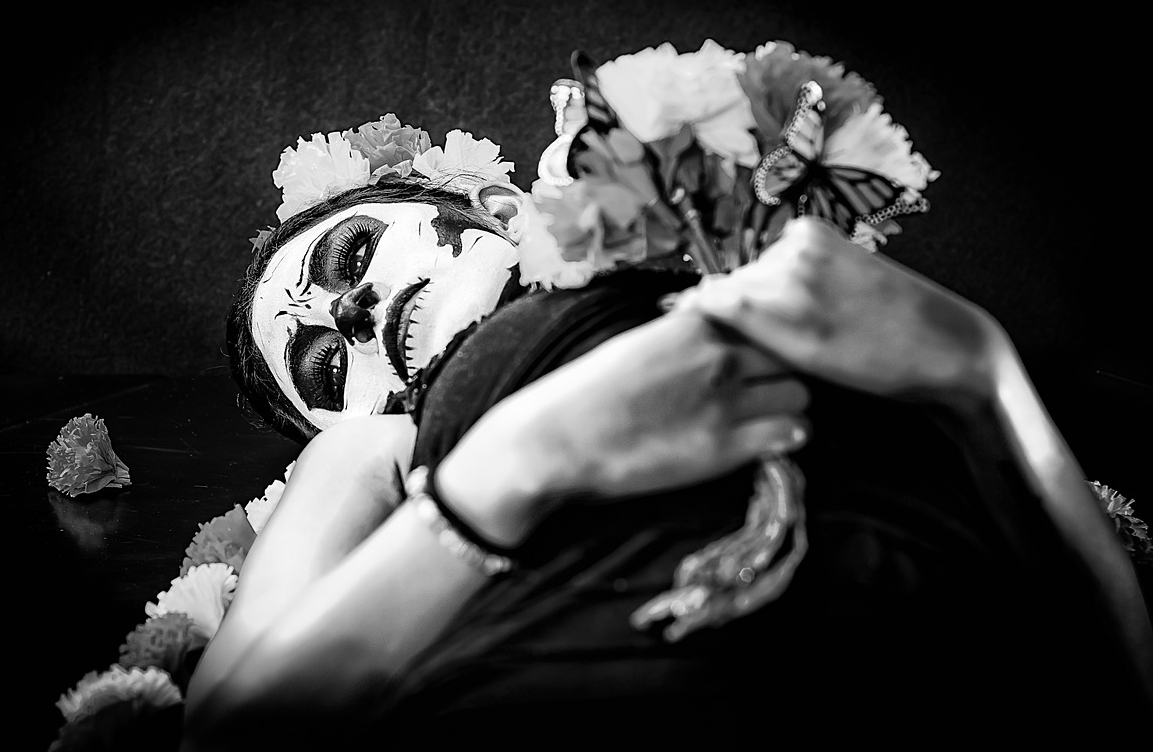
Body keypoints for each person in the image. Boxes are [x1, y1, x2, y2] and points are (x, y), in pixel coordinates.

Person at [186, 98, 1152, 745]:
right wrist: (517, 467)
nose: (349, 316)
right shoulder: (382, 447)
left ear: (487, 202)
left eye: (349, 259)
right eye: (322, 363)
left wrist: (981, 372)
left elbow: (1115, 690)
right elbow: (229, 729)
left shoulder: (742, 266)